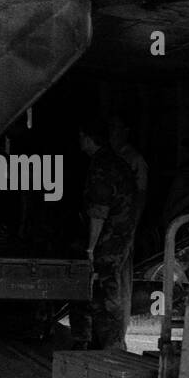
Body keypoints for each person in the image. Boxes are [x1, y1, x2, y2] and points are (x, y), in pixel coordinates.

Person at [73, 116, 138, 351]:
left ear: (89, 139)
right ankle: (104, 343)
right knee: (106, 292)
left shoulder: (102, 167)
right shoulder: (117, 163)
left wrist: (90, 247)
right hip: (119, 240)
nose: (79, 141)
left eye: (81, 137)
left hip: (108, 242)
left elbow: (98, 212)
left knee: (106, 295)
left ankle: (112, 346)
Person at [109, 113, 148, 225]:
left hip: (124, 222)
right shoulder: (107, 157)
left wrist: (134, 224)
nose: (110, 132)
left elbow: (141, 194)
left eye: (114, 127)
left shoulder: (135, 159)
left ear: (125, 131)